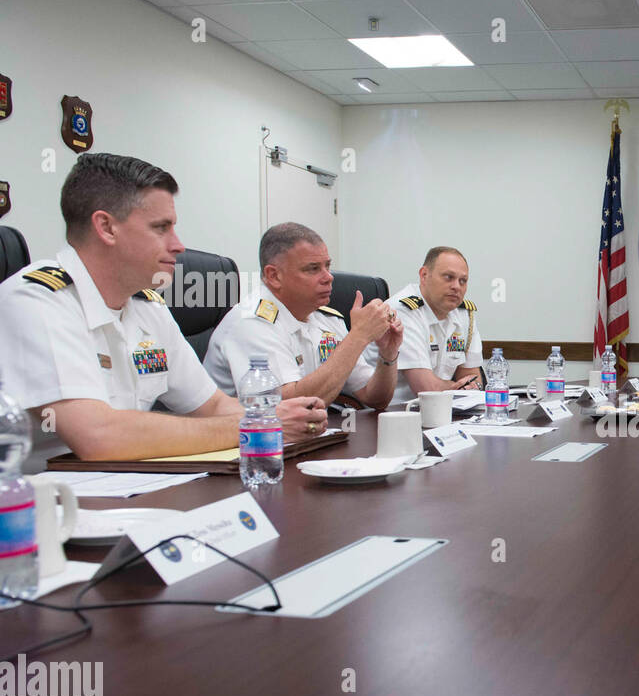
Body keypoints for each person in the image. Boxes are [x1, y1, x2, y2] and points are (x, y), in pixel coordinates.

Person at [0, 153, 324, 473]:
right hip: (42, 507)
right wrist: (260, 424)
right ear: (106, 227)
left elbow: (212, 406)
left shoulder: (148, 306)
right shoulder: (37, 301)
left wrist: (283, 415)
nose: (179, 245)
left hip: (129, 490)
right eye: (161, 228)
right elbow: (98, 436)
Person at [204, 222, 401, 410]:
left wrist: (388, 354)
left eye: (327, 266)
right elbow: (289, 407)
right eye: (313, 269)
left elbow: (374, 398)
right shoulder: (251, 322)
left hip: (311, 435)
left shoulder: (327, 319)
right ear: (274, 276)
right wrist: (358, 337)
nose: (328, 277)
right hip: (250, 440)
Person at [369, 246, 483, 406]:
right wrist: (461, 389)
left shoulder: (464, 313)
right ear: (424, 275)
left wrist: (471, 387)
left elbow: (472, 376)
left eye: (463, 281)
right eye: (448, 277)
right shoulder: (402, 310)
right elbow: (426, 389)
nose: (456, 286)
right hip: (392, 412)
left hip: (441, 409)